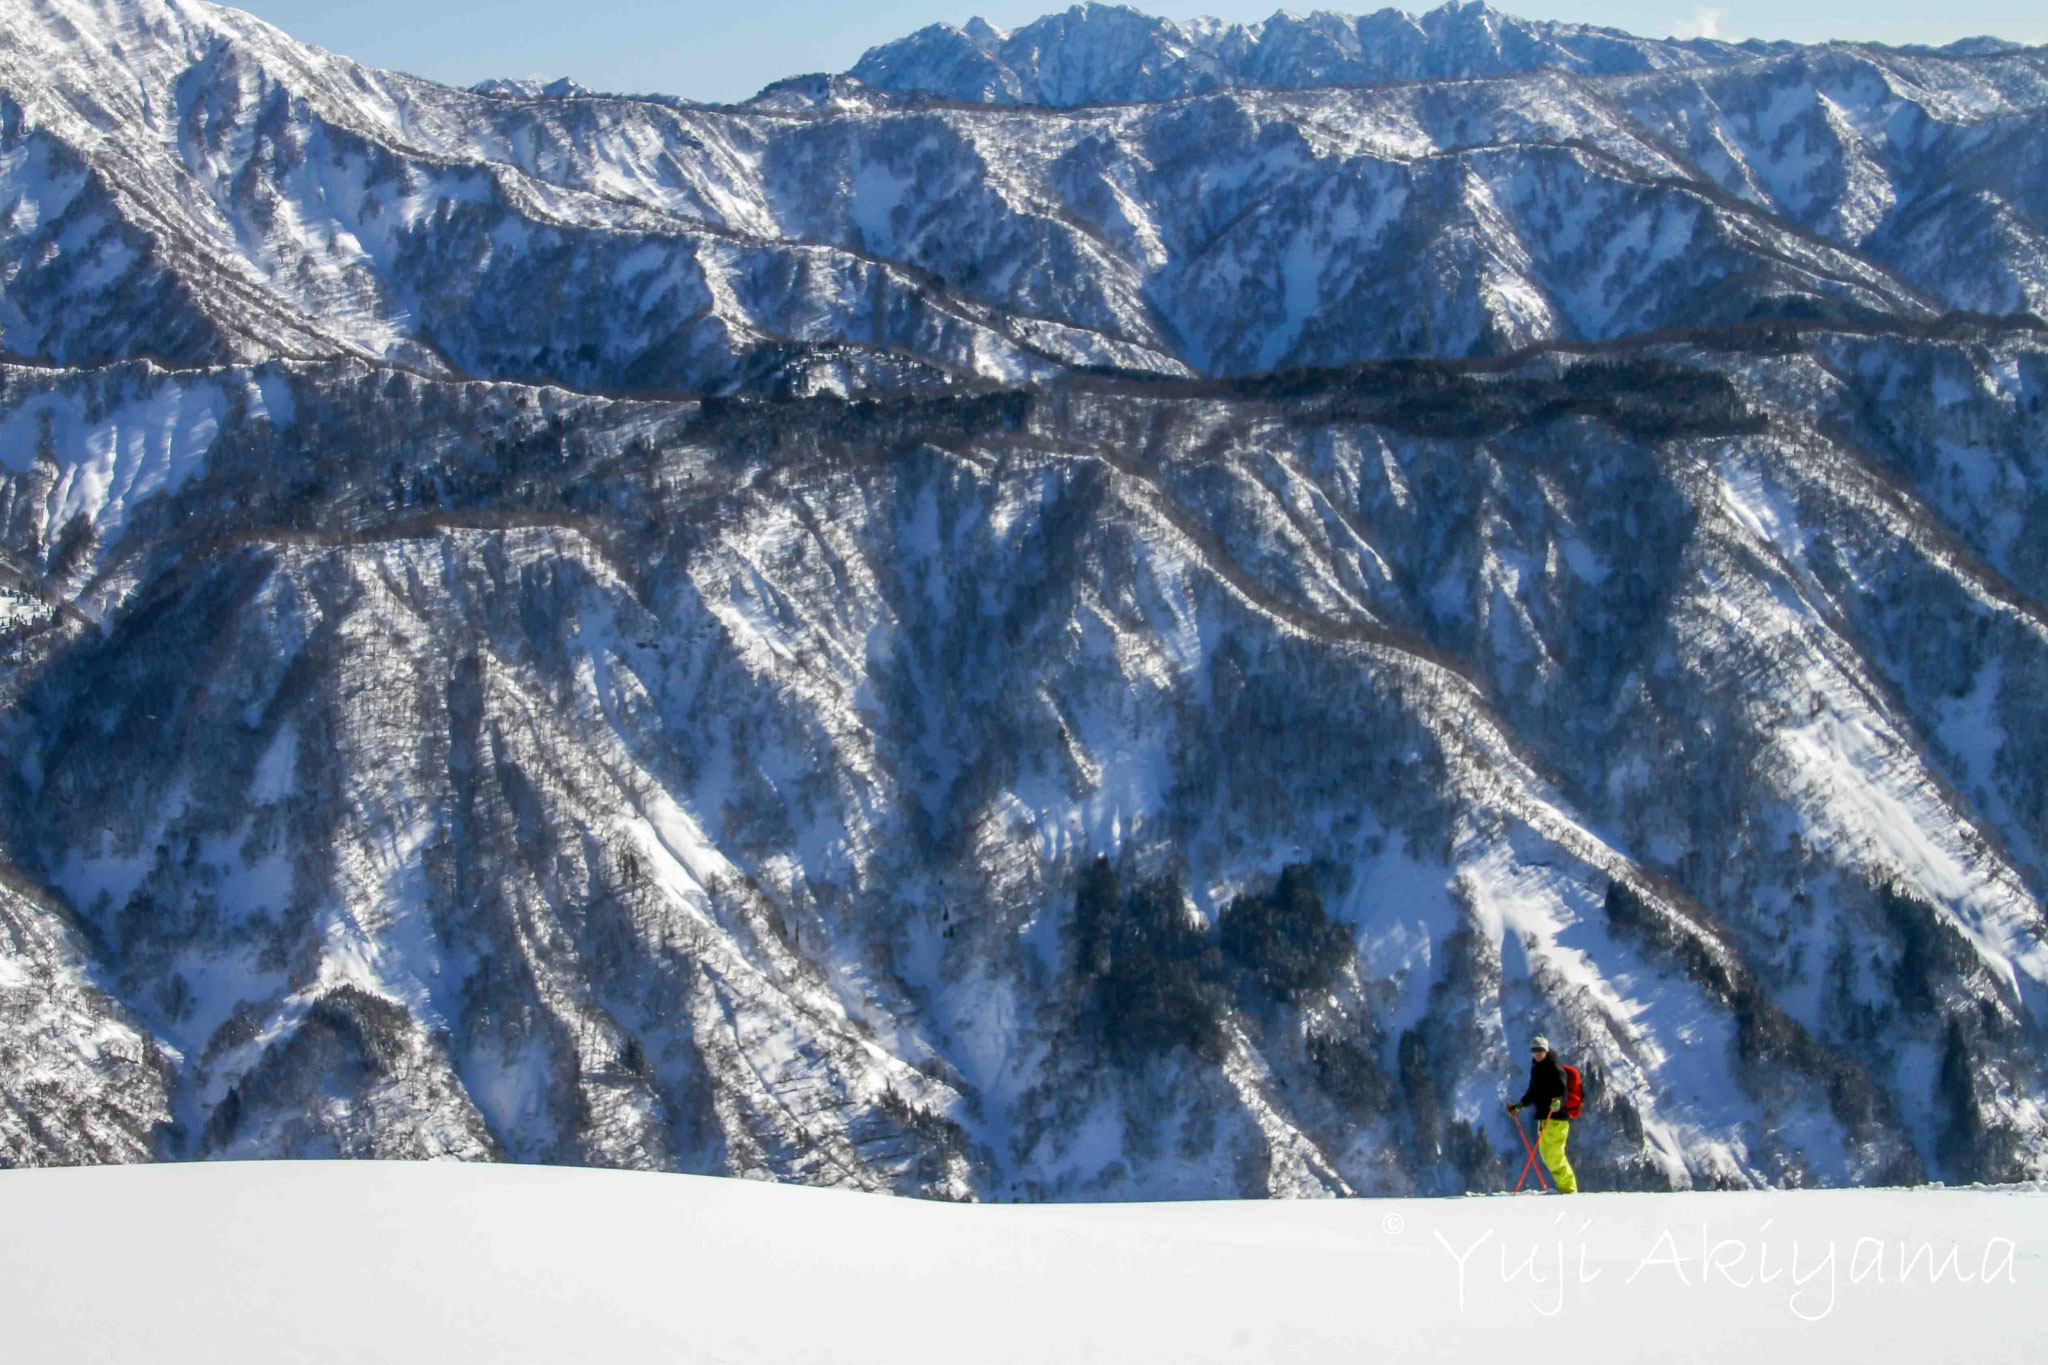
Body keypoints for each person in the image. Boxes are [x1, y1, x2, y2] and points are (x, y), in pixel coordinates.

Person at [1506, 1035, 1578, 1193]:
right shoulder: (1537, 1068)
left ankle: (1569, 1190)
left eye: (1540, 1050)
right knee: (1546, 1154)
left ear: (1546, 1050)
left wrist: (1558, 1102)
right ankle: (1565, 1188)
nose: (1537, 1054)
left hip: (1557, 1118)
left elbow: (1563, 1092)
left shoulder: (1554, 1067)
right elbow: (1533, 1092)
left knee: (1555, 1155)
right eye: (1534, 1050)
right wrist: (1520, 1105)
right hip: (1544, 1118)